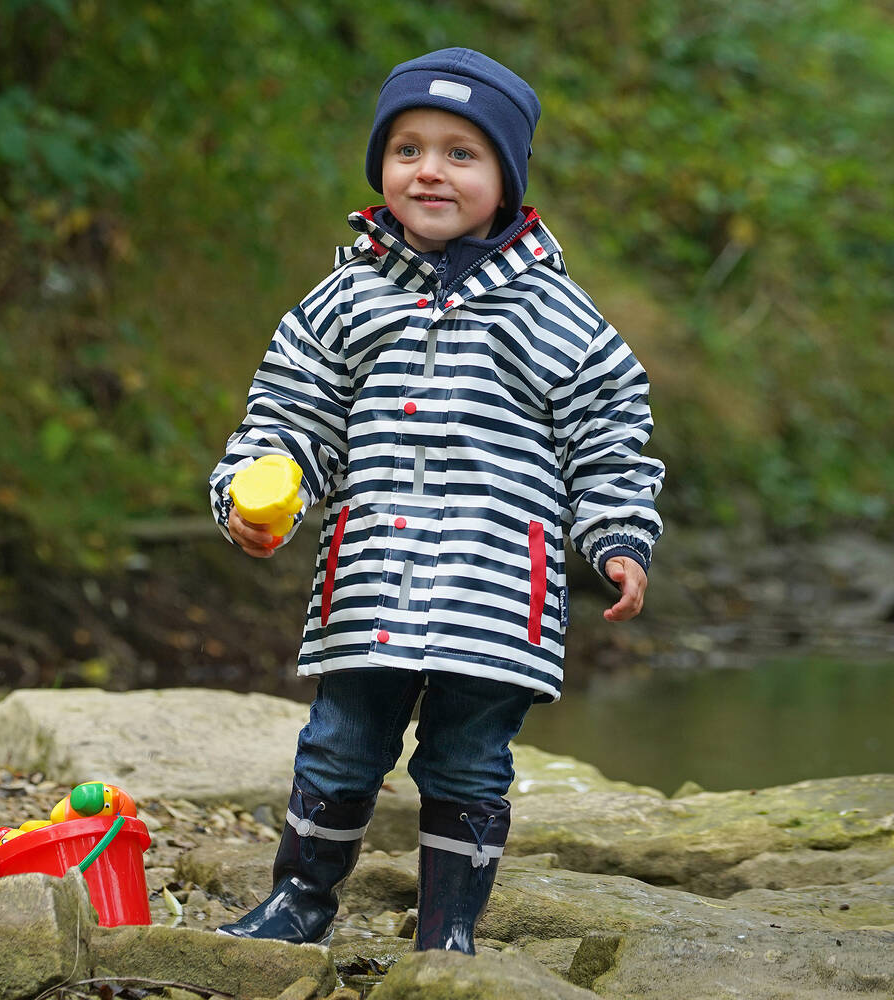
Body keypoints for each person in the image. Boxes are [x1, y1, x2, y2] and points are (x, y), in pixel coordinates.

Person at [209, 47, 664, 953]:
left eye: (462, 153)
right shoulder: (346, 298)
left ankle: (448, 933)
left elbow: (609, 431)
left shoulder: (555, 311)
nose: (429, 171)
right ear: (380, 165)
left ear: (507, 178)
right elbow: (291, 417)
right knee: (340, 741)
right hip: (373, 578)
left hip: (496, 589)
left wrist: (616, 533)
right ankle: (300, 901)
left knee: (468, 759)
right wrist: (258, 500)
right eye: (408, 148)